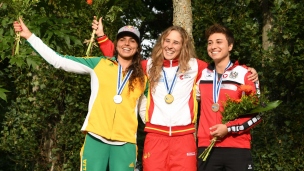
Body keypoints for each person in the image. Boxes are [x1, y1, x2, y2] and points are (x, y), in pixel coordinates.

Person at [93, 18, 259, 171]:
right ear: (162, 42)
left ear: (183, 46)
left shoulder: (197, 67)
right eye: (167, 41)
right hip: (155, 137)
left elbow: (222, 70)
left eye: (176, 42)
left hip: (184, 138)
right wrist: (102, 37)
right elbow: (123, 61)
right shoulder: (148, 65)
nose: (170, 46)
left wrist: (248, 71)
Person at [13, 18, 148, 171]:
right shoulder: (99, 64)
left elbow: (146, 113)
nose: (127, 44)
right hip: (96, 139)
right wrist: (30, 36)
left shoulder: (143, 78)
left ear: (137, 47)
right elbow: (59, 60)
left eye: (132, 41)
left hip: (126, 143)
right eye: (122, 39)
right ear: (116, 45)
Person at [197, 24, 261, 171]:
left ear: (230, 46)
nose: (213, 46)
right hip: (207, 146)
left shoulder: (245, 74)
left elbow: (257, 114)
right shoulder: (201, 74)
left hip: (237, 147)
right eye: (210, 43)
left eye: (219, 42)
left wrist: (229, 128)